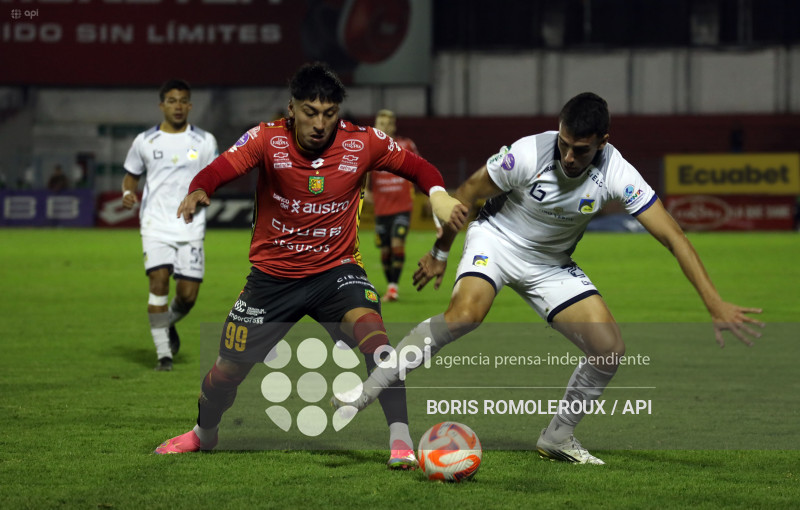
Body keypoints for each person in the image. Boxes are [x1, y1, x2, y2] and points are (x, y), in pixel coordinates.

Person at [333, 92, 765, 465]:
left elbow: (673, 235)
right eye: (564, 144)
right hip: (497, 239)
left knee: (610, 350)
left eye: (581, 149)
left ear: (603, 143)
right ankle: (367, 390)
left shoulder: (616, 171)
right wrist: (441, 251)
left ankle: (557, 436)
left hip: (550, 264)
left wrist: (713, 301)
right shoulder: (527, 153)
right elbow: (466, 193)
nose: (569, 157)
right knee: (466, 315)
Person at [153, 62, 468, 469]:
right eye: (310, 112)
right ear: (292, 109)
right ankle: (203, 434)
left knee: (377, 341)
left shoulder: (363, 142)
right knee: (226, 371)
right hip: (272, 279)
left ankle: (401, 441)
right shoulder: (267, 139)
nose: (320, 123)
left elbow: (418, 167)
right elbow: (221, 167)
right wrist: (200, 188)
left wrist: (438, 193)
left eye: (329, 113)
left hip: (336, 272)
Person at [121, 79, 219, 372]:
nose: (178, 106)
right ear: (161, 105)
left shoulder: (205, 141)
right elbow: (131, 175)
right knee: (158, 283)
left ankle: (166, 324)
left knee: (187, 297)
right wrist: (128, 192)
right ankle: (164, 355)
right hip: (155, 225)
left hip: (190, 227)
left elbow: (214, 176)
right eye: (172, 100)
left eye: (183, 101)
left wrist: (205, 192)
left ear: (190, 105)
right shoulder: (145, 141)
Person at [367, 109, 420, 302]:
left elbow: (419, 169)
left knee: (397, 243)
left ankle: (393, 289)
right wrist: (367, 195)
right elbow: (364, 178)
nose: (384, 126)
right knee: (385, 250)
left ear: (393, 125)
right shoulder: (370, 150)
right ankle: (390, 287)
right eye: (380, 123)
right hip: (382, 209)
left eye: (388, 123)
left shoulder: (406, 145)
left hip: (402, 207)